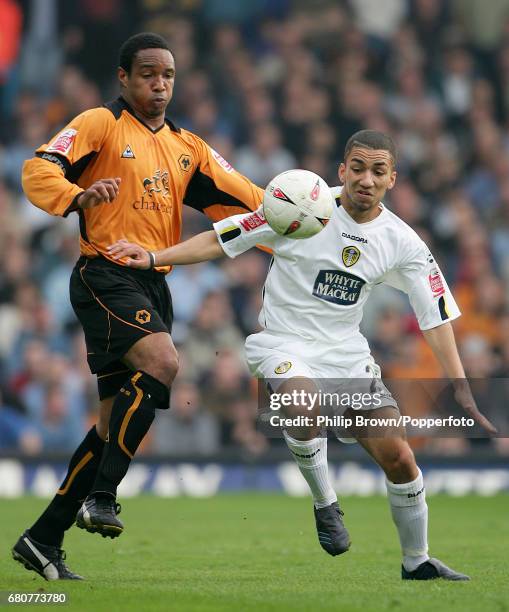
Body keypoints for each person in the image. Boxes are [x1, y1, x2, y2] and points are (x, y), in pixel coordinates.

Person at [109, 130, 497, 581]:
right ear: (341, 170)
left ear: (393, 178)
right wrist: (154, 258)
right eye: (357, 168)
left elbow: (435, 316)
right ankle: (325, 504)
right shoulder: (300, 203)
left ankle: (417, 561)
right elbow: (222, 239)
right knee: (301, 400)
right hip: (283, 342)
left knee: (400, 458)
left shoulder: (403, 242)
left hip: (348, 357)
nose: (365, 179)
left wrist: (459, 384)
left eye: (377, 171)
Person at [12, 32, 264, 581]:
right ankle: (102, 497)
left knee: (110, 426)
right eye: (148, 73)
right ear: (123, 77)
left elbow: (247, 200)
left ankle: (41, 539)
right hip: (104, 275)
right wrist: (76, 195)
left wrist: (301, 230)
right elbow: (39, 167)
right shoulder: (101, 124)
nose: (160, 83)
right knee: (165, 363)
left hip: (153, 283)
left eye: (168, 75)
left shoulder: (187, 147)